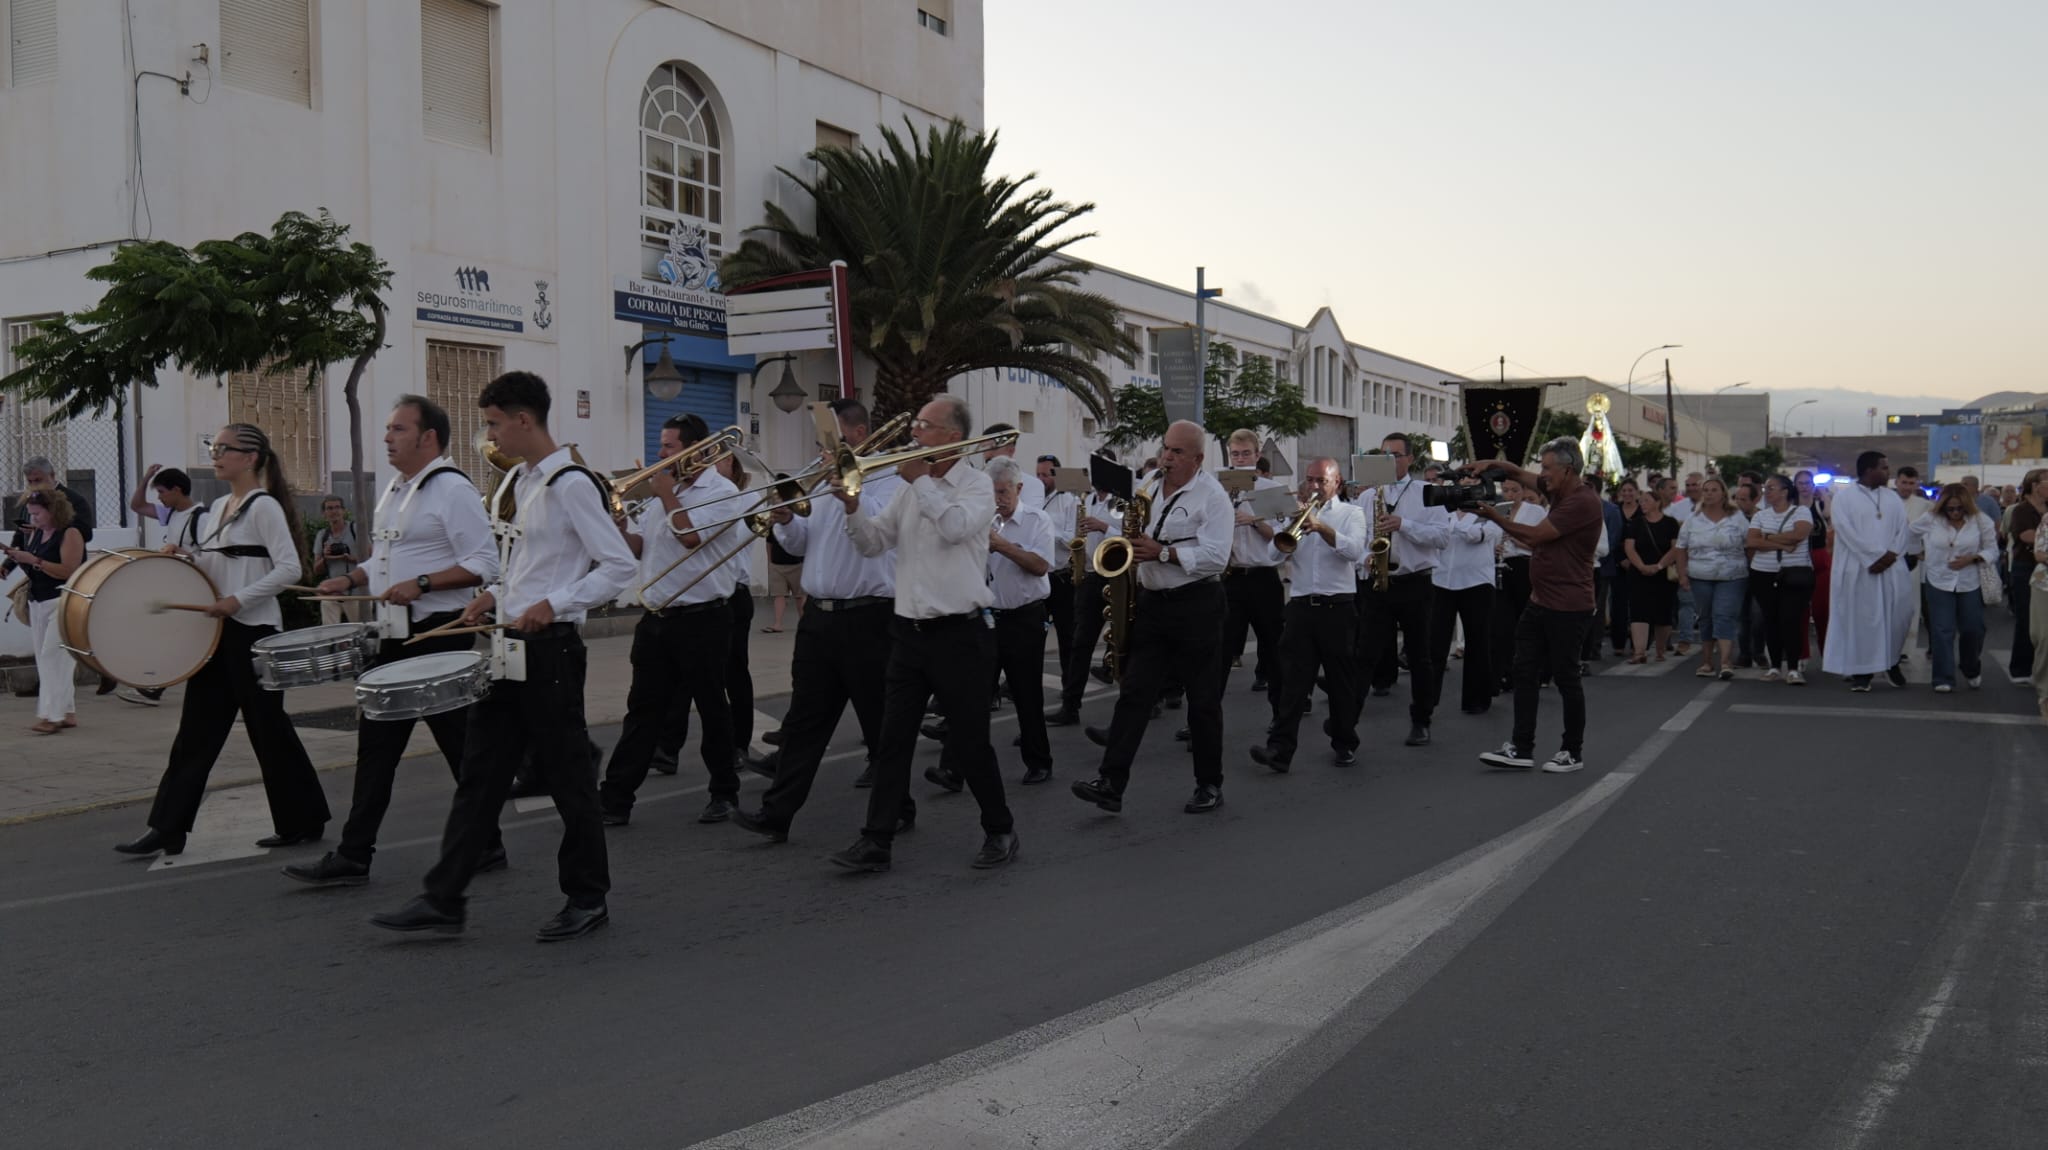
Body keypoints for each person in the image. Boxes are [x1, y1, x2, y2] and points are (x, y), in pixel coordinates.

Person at [372, 372, 636, 941]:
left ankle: (588, 897)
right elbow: (519, 562)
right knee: (479, 776)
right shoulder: (518, 480)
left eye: (494, 423)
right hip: (505, 647)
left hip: (550, 654)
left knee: (568, 783)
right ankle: (444, 898)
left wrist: (554, 603)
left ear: (524, 419)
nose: (488, 435)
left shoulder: (571, 483)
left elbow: (618, 566)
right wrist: (493, 597)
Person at [283, 396, 501, 887]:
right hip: (394, 636)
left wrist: (422, 584)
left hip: (440, 635)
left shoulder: (453, 490)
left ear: (428, 438)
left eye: (398, 429)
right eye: (387, 428)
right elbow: (385, 558)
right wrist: (351, 578)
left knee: (455, 747)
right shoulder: (396, 490)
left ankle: (473, 843)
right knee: (381, 747)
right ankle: (358, 853)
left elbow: (485, 563)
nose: (387, 437)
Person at [113, 424, 330, 857]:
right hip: (219, 633)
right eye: (214, 447)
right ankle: (167, 827)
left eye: (224, 448)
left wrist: (238, 600)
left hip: (254, 633)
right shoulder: (215, 510)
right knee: (195, 730)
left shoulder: (262, 507)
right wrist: (186, 559)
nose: (216, 454)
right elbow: (216, 567)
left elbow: (289, 568)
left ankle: (302, 819)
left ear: (249, 457)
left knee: (268, 729)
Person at [825, 395, 1017, 872]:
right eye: (915, 425)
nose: (914, 434)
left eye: (923, 426)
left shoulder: (975, 485)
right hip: (908, 633)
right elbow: (873, 544)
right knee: (892, 742)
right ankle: (876, 840)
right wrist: (851, 509)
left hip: (961, 636)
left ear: (952, 436)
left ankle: (1000, 829)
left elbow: (954, 528)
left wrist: (922, 483)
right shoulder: (909, 488)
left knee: (971, 744)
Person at [734, 399, 902, 841]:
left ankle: (898, 806)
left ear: (860, 434)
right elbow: (805, 542)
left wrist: (850, 497)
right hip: (820, 620)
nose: (822, 451)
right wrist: (786, 519)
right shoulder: (825, 478)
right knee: (806, 721)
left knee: (879, 721)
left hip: (869, 618)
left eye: (831, 441)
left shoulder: (890, 478)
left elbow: (876, 538)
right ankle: (777, 815)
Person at [1072, 420, 1234, 814]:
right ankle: (1111, 782)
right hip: (1154, 604)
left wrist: (1162, 552)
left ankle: (1209, 784)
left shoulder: (1213, 498)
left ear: (1197, 459)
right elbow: (1133, 526)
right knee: (1134, 694)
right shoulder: (1148, 486)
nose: (1167, 457)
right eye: (1165, 448)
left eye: (1177, 452)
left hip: (1198, 604)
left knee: (1203, 701)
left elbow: (1217, 556)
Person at [598, 414, 742, 827]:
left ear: (696, 450)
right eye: (660, 446)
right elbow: (643, 548)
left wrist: (666, 496)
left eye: (668, 447)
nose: (659, 455)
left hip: (703, 618)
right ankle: (615, 798)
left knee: (712, 708)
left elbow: (692, 538)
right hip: (658, 617)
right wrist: (621, 528)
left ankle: (724, 792)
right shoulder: (666, 492)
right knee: (642, 711)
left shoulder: (721, 491)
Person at [1473, 438, 1605, 773]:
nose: (1542, 474)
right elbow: (1523, 475)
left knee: (1565, 678)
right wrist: (1491, 464)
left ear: (1568, 469)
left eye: (1548, 468)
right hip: (1540, 600)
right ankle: (1521, 747)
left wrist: (1492, 515)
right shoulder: (1559, 488)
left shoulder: (1582, 502)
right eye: (1542, 467)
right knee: (1523, 671)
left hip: (1569, 605)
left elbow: (1533, 537)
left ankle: (1571, 752)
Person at [1248, 458, 1367, 771]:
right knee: (1293, 683)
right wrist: (1289, 525)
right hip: (1301, 606)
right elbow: (1273, 554)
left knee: (1341, 681)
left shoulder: (1351, 514)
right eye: (1310, 480)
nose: (1314, 486)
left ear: (1337, 483)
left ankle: (1344, 742)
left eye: (1321, 481)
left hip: (1338, 607)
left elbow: (1354, 551)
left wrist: (1321, 527)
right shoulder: (1294, 513)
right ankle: (1280, 750)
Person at [1355, 434, 1450, 746]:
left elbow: (1441, 537)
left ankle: (1421, 719)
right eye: (1384, 455)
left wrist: (1403, 524)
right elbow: (1357, 538)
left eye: (1395, 455)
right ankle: (1346, 721)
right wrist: (1364, 557)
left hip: (1415, 583)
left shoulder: (1427, 492)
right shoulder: (1368, 496)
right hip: (1379, 583)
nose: (1389, 461)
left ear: (1410, 459)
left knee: (1421, 656)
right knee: (1365, 654)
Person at [983, 456, 1057, 785]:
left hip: (1025, 618)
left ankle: (1039, 761)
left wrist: (1002, 546)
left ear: (1019, 488)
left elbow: (1040, 565)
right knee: (974, 694)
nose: (998, 499)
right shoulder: (982, 520)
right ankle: (954, 767)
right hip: (988, 618)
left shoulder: (1037, 520)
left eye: (1003, 491)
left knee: (1027, 694)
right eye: (992, 492)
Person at [1823, 452, 1913, 692]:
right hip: (1859, 569)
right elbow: (1845, 530)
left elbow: (1903, 530)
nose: (1888, 472)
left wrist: (1891, 555)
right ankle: (1862, 671)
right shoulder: (1845, 498)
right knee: (1862, 621)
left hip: (1891, 568)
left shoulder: (1892, 498)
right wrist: (1873, 557)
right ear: (1867, 470)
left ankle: (1892, 662)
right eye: (1884, 468)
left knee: (1897, 617)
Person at [3, 489, 86, 734]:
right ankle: (67, 711)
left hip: (63, 601)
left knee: (52, 657)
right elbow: (31, 562)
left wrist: (33, 560)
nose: (33, 518)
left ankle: (51, 715)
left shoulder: (70, 533)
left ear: (53, 511)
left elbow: (68, 571)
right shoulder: (37, 533)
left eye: (37, 514)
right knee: (50, 659)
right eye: (31, 513)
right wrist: (15, 559)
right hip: (38, 601)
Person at [1050, 460, 1122, 724]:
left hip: (1117, 575)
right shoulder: (1085, 500)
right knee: (1080, 643)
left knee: (1126, 642)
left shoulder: (1121, 502)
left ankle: (1148, 699)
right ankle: (1071, 705)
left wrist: (1104, 528)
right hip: (1090, 576)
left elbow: (1129, 534)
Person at [1218, 428, 1287, 702]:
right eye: (1235, 454)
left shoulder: (1273, 490)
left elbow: (1284, 539)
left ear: (1257, 456)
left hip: (1263, 577)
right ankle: (1201, 720)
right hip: (1230, 577)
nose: (1241, 459)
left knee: (1274, 649)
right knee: (1219, 651)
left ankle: (1281, 715)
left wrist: (1255, 521)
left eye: (1246, 453)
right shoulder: (1219, 489)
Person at [1911, 483, 2000, 693]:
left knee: (1973, 628)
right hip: (1938, 580)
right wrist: (1917, 552)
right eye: (1950, 508)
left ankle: (1970, 666)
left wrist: (1973, 558)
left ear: (1966, 506)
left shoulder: (1980, 520)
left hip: (1970, 581)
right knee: (1942, 630)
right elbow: (1910, 533)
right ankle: (1943, 677)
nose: (1954, 512)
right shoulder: (1931, 519)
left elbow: (1993, 550)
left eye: (1959, 508)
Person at [1431, 489, 1502, 715]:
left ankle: (1476, 699)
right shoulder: (1444, 513)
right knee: (1435, 644)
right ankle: (1427, 699)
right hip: (1442, 581)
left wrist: (1453, 524)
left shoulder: (1492, 515)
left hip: (1477, 583)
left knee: (1477, 642)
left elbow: (1477, 536)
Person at [1675, 476, 1750, 679]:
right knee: (1706, 617)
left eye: (1714, 490)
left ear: (1723, 493)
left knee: (1724, 615)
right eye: (1706, 490)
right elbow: (1681, 547)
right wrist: (1682, 574)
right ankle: (1707, 661)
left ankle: (1726, 662)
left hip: (1732, 575)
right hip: (1700, 575)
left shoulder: (1737, 517)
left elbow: (1749, 544)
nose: (1709, 493)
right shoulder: (1693, 519)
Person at [1746, 476, 1816, 684]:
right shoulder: (1760, 515)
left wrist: (1767, 537)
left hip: (1794, 573)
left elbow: (1799, 534)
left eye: (1771, 488)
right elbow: (1751, 541)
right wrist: (1783, 543)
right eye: (1765, 488)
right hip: (1763, 573)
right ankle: (1775, 665)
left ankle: (1793, 668)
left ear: (1785, 491)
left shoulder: (1801, 511)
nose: (1767, 492)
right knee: (1771, 620)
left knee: (1791, 619)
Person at [1623, 479, 1680, 663]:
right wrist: (1641, 566)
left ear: (1657, 503)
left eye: (1646, 500)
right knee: (1639, 610)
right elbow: (1629, 548)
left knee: (1663, 613)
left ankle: (1660, 650)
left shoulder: (1670, 523)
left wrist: (1659, 566)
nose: (1642, 504)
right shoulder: (1636, 524)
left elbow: (1675, 548)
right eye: (1642, 501)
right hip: (1639, 573)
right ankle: (1639, 651)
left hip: (1663, 574)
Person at [1035, 453, 1079, 680]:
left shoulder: (1070, 500)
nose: (1041, 479)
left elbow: (1073, 539)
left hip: (1061, 576)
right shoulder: (1033, 497)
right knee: (1034, 635)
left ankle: (1068, 682)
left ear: (1057, 475)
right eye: (1038, 474)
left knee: (1066, 635)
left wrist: (1045, 529)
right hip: (1038, 575)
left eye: (1046, 475)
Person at [2005, 470, 2045, 683]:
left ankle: (2040, 666)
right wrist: (2044, 535)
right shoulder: (2021, 510)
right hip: (2026, 567)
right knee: (2027, 619)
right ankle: (2021, 668)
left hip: (2044, 568)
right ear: (2034, 485)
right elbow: (2025, 536)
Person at [1894, 466, 1933, 653]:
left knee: (1912, 605)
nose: (1907, 487)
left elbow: (1931, 532)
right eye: (1904, 482)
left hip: (1913, 562)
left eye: (1911, 483)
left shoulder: (1924, 505)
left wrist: (1922, 550)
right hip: (1888, 562)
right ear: (1896, 482)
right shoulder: (1887, 502)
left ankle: (1906, 649)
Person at [311, 496, 364, 625]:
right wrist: (325, 558)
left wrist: (349, 558)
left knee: (361, 631)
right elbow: (316, 570)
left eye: (337, 507)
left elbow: (372, 560)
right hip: (332, 592)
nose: (334, 511)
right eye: (329, 508)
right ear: (324, 513)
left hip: (356, 592)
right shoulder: (322, 535)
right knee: (330, 633)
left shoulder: (355, 530)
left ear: (343, 511)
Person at [763, 487, 805, 632]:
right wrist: (770, 562)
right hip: (777, 564)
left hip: (796, 563)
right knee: (779, 595)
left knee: (800, 597)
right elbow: (769, 543)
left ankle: (803, 622)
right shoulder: (774, 521)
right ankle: (778, 624)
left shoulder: (798, 519)